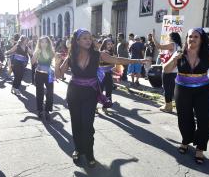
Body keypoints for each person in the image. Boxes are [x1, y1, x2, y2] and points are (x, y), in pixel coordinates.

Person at [55, 29, 148, 168]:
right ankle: (78, 149)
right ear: (77, 41)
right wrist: (57, 62)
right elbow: (58, 75)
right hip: (74, 93)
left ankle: (89, 153)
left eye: (89, 38)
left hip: (90, 94)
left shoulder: (98, 55)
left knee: (87, 124)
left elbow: (118, 60)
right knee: (76, 123)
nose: (88, 40)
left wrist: (139, 60)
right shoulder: (71, 56)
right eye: (84, 38)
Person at [164, 28, 209, 164]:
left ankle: (200, 148)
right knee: (184, 117)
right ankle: (185, 141)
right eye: (190, 36)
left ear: (201, 39)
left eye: (196, 36)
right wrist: (174, 59)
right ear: (186, 38)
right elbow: (166, 69)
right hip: (182, 90)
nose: (192, 39)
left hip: (202, 90)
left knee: (204, 119)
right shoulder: (180, 52)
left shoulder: (208, 53)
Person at [153, 30, 182, 113]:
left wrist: (153, 38)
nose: (167, 38)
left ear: (172, 38)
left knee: (167, 89)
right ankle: (168, 105)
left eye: (168, 37)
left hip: (169, 71)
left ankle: (168, 107)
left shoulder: (172, 44)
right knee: (170, 89)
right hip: (175, 71)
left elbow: (159, 46)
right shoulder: (178, 46)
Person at [31, 36, 55, 120]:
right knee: (40, 92)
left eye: (46, 42)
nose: (44, 44)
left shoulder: (51, 51)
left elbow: (53, 62)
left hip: (49, 74)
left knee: (50, 92)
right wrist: (36, 53)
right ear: (39, 43)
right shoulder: (38, 51)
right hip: (39, 73)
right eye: (42, 42)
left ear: (48, 43)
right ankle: (40, 110)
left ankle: (47, 110)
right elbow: (32, 62)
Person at [98, 38, 115, 109]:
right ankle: (94, 107)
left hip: (108, 74)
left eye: (111, 44)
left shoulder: (112, 53)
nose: (110, 45)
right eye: (108, 44)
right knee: (99, 91)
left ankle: (106, 106)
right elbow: (97, 64)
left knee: (109, 91)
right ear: (104, 44)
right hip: (100, 75)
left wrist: (113, 66)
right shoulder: (100, 53)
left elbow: (113, 65)